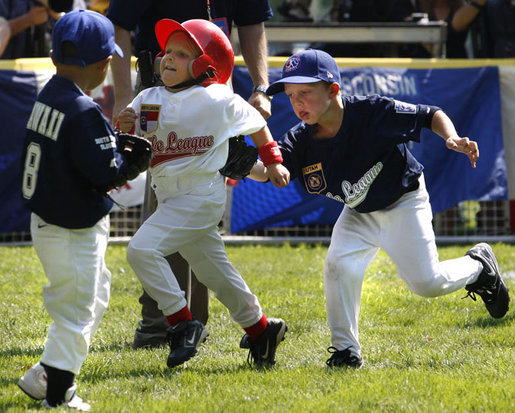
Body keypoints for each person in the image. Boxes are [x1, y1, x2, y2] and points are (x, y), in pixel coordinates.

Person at [249, 48, 510, 368]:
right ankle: (346, 351)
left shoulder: (371, 112)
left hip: (403, 201)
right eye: (291, 95)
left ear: (333, 90)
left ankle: (478, 267)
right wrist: (240, 164)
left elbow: (429, 114)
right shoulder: (301, 138)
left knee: (427, 283)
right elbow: (270, 171)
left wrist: (452, 138)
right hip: (358, 212)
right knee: (337, 266)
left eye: (306, 92)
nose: (298, 103)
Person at [117, 18, 289, 367]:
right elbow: (133, 120)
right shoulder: (150, 94)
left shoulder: (216, 99)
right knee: (214, 272)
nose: (168, 58)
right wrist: (126, 121)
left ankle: (182, 324)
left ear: (204, 66)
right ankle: (261, 330)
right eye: (167, 51)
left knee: (140, 250)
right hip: (169, 196)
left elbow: (257, 124)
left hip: (200, 196)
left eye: (182, 54)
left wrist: (272, 161)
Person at [16, 9, 151, 409]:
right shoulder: (83, 110)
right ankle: (57, 394)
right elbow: (104, 174)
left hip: (48, 220)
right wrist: (134, 161)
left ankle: (45, 373)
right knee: (75, 311)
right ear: (101, 63)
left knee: (96, 293)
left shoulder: (50, 94)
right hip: (71, 227)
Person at [416, 0, 489, 58]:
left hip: (458, 69)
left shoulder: (464, 6)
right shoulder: (416, 6)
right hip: (422, 71)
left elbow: (452, 28)